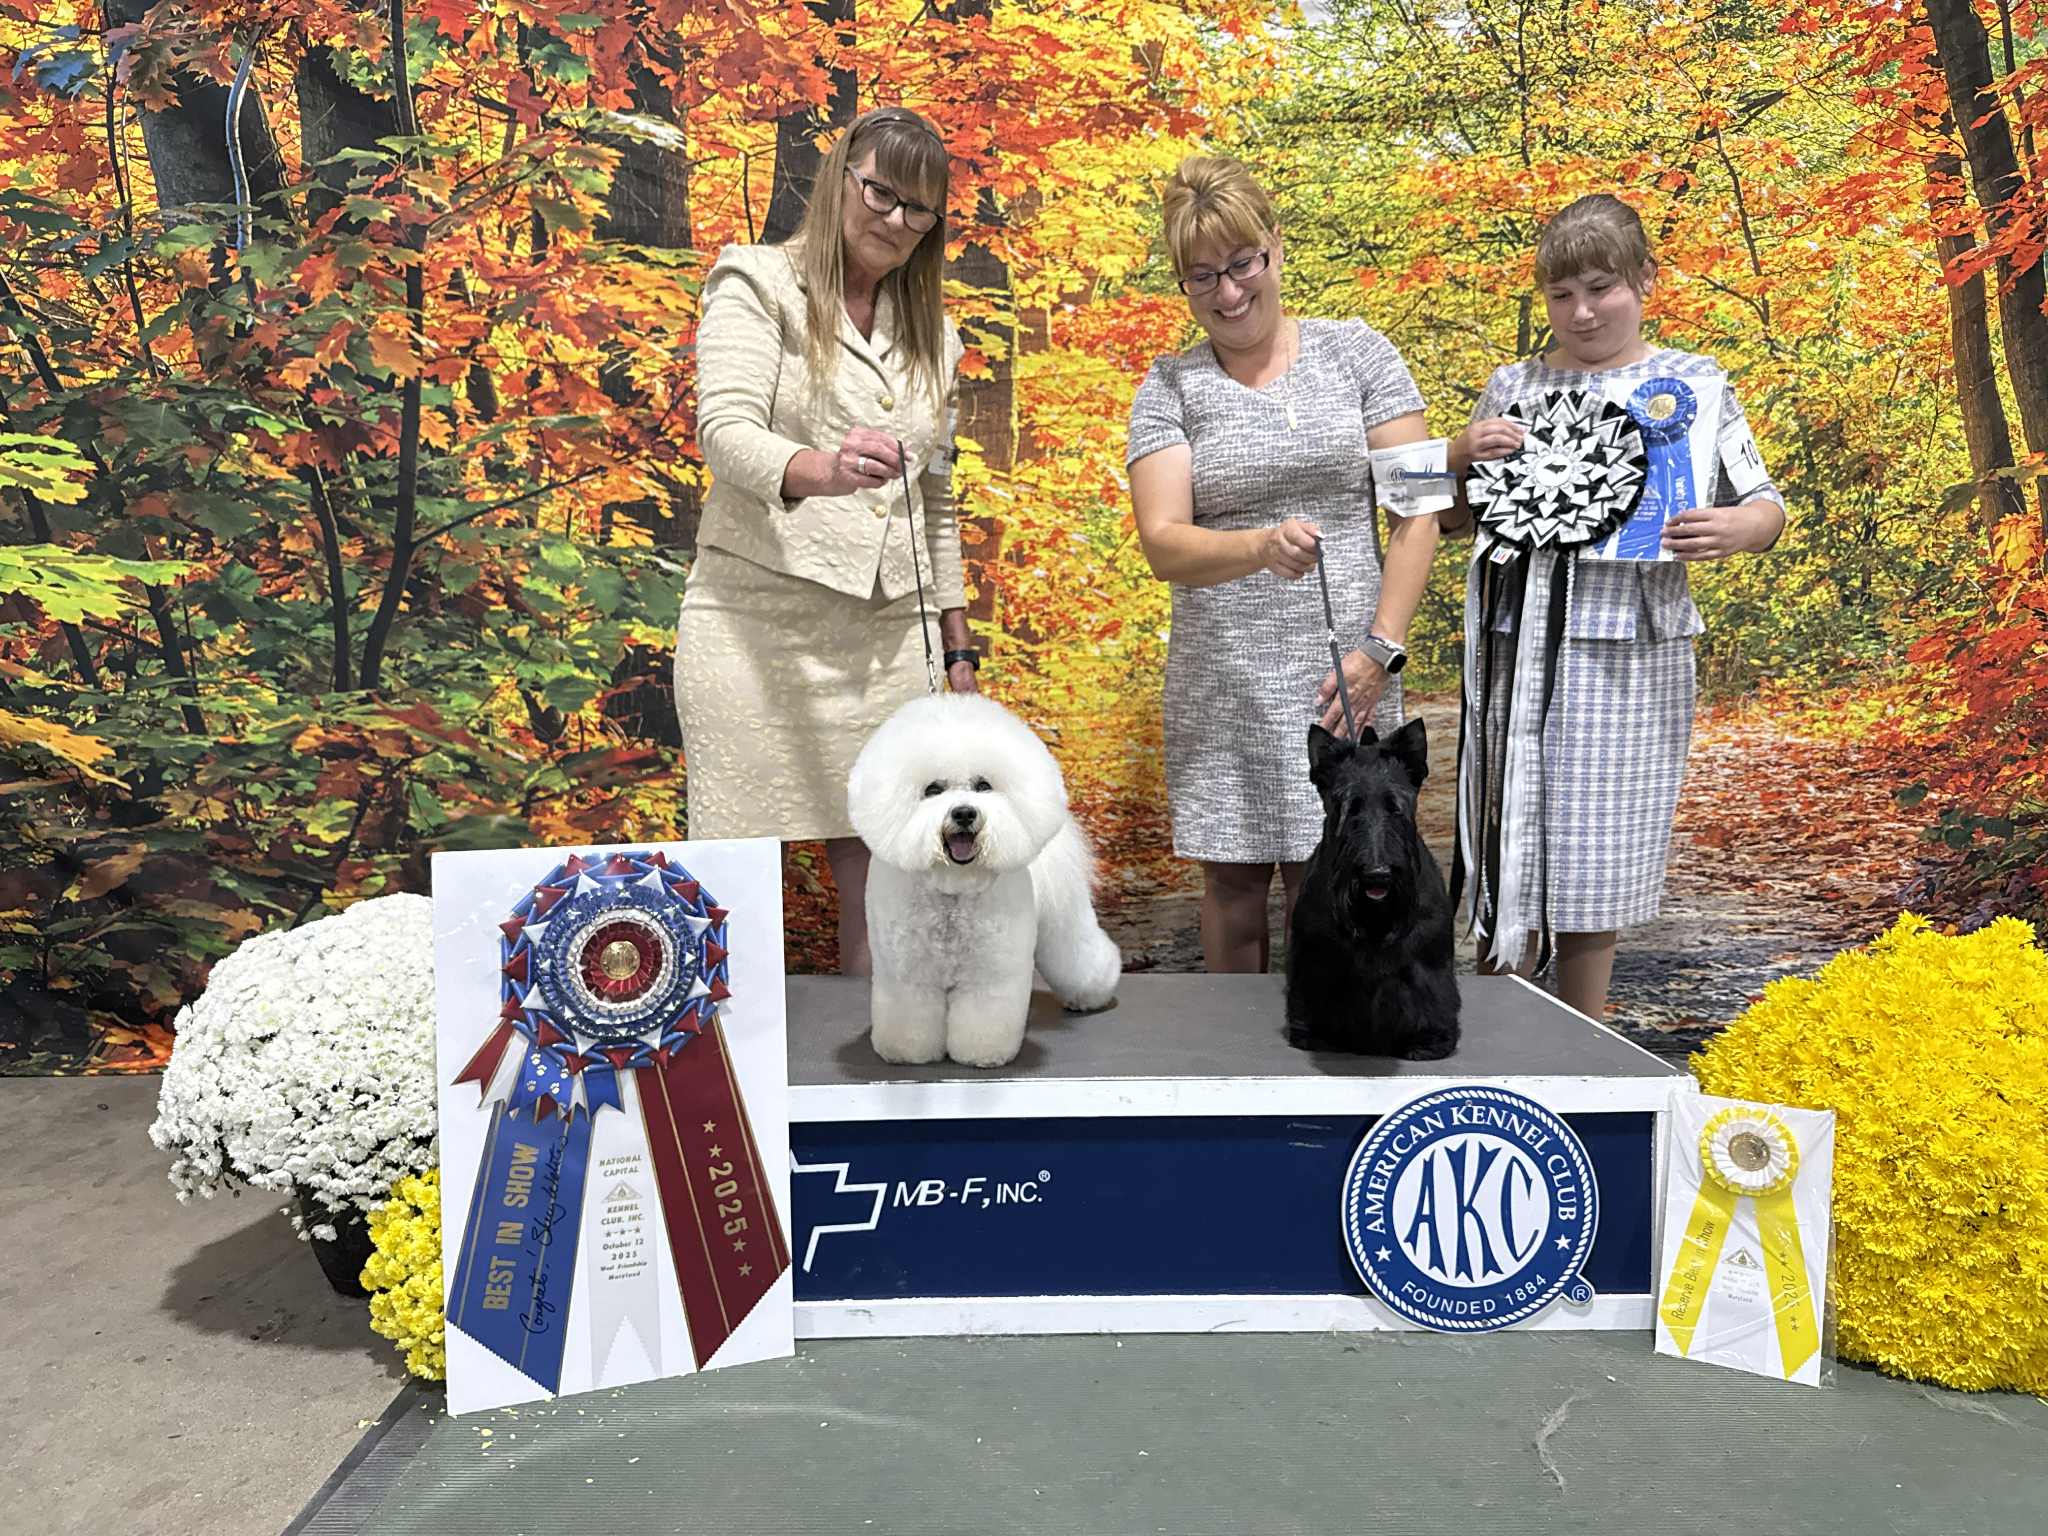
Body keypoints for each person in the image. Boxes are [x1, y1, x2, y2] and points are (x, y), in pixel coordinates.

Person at [1443, 192, 1786, 1021]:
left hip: (1635, 648)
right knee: (1508, 839)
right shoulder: (1513, 385)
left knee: (1597, 854)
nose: (1582, 312)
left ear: (1645, 281)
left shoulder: (1695, 383)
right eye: (1561, 294)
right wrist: (1457, 456)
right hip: (1518, 646)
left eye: (1601, 288)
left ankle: (1583, 1043)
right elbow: (1451, 518)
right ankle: (1497, 1043)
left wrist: (1740, 528)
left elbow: (1766, 504)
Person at [677, 105, 978, 976]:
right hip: (752, 620)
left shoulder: (936, 337)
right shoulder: (755, 280)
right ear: (841, 176)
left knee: (888, 883)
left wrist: (957, 646)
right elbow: (725, 433)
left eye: (918, 209)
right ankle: (738, 1061)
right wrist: (824, 467)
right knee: (736, 874)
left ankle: (880, 1054)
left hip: (888, 641)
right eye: (881, 192)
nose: (896, 220)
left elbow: (935, 499)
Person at [1125, 154, 1440, 974]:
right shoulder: (1170, 386)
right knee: (1233, 889)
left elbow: (1419, 512)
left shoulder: (1361, 353)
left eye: (1242, 264)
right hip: (1222, 681)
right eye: (1202, 277)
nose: (1228, 293)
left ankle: (1329, 1047)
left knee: (1335, 882)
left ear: (1275, 244)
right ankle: (1234, 1053)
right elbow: (1163, 541)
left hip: (1347, 675)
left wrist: (1378, 652)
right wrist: (1259, 547)